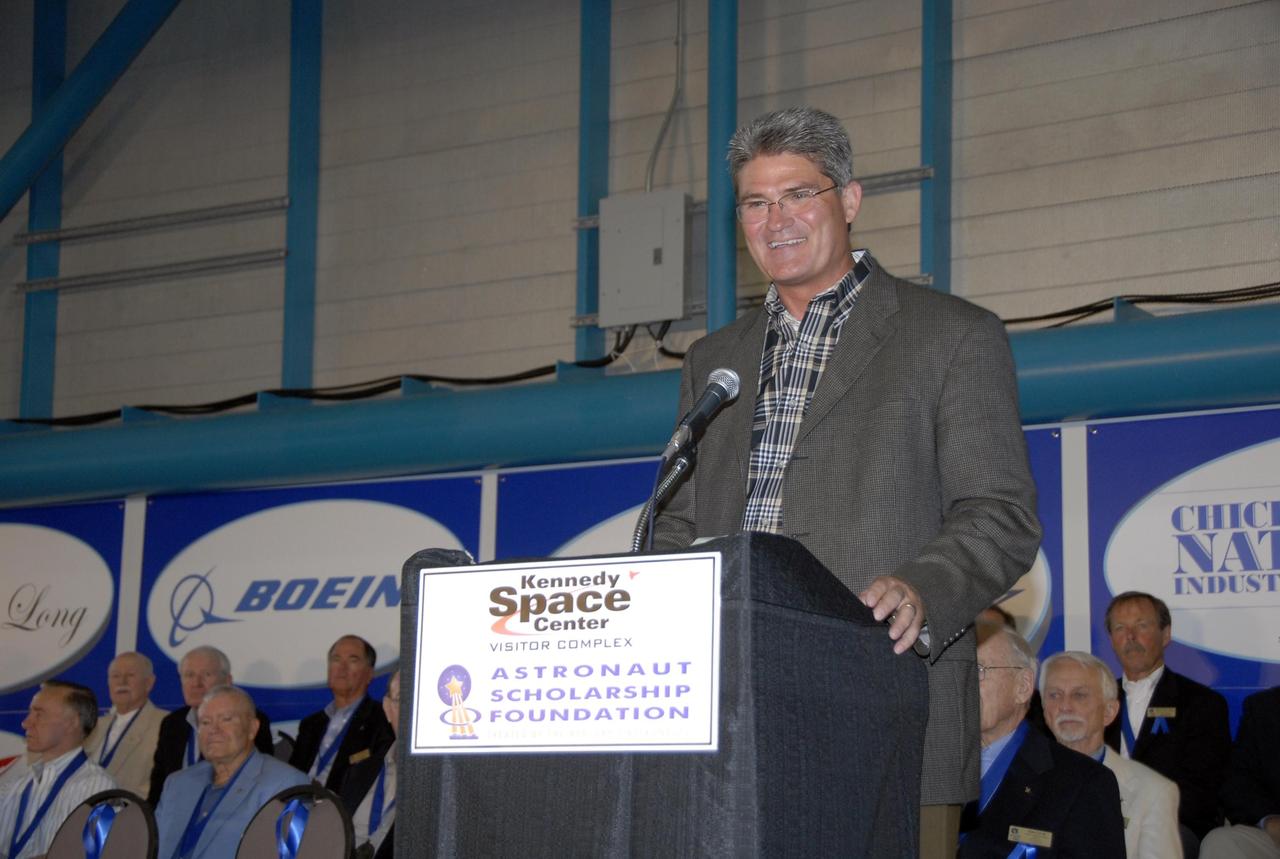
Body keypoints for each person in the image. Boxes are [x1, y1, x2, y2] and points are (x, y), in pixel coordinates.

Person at [650, 105, 1042, 857]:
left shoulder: (954, 335)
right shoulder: (713, 358)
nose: (777, 219)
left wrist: (923, 587)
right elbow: (678, 520)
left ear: (850, 200)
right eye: (757, 203)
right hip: (731, 721)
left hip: (893, 709)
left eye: (800, 194)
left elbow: (1000, 513)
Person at [958, 625, 1126, 857]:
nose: (961, 685)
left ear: (1023, 686)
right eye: (956, 672)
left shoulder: (1083, 782)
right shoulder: (926, 770)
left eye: (977, 670)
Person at [1103, 590, 1232, 853]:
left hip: (1171, 823)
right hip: (1103, 820)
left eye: (1142, 625)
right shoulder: (1095, 703)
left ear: (1166, 635)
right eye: (1120, 628)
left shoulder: (1201, 703)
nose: (1131, 637)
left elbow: (1202, 790)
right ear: (1112, 640)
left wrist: (1141, 814)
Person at [1041, 650, 1181, 859]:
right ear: (1043, 708)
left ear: (1109, 711)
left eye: (1079, 695)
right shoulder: (1019, 779)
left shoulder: (1153, 792)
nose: (1065, 705)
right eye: (1054, 695)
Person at [154, 685, 306, 859]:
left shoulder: (284, 785)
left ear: (252, 728)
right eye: (205, 722)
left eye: (226, 719)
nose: (213, 730)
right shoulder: (177, 783)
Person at [0, 681, 117, 859]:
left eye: (39, 714)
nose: (25, 723)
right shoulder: (14, 787)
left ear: (72, 723)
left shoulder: (97, 788)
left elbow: (96, 855)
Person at [148, 645, 274, 806]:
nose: (196, 683)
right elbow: (158, 788)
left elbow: (259, 780)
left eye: (206, 675)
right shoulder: (172, 724)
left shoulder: (248, 720)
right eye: (189, 675)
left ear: (228, 681)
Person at [289, 635, 392, 815]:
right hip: (298, 811)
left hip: (342, 815)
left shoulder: (381, 721)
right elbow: (291, 775)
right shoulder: (311, 724)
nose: (341, 668)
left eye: (353, 660)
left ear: (369, 674)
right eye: (336, 660)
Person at [1201, 685, 1280, 858]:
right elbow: (1238, 780)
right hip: (1275, 835)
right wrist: (1269, 819)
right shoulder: (1264, 707)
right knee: (1221, 842)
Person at [83, 651, 169, 797]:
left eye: (130, 675)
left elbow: (161, 787)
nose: (121, 682)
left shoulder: (166, 725)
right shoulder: (94, 725)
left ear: (149, 683)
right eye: (115, 676)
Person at [350, 669, 399, 859]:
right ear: (387, 709)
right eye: (402, 698)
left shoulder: (448, 780)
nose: (412, 708)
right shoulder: (360, 770)